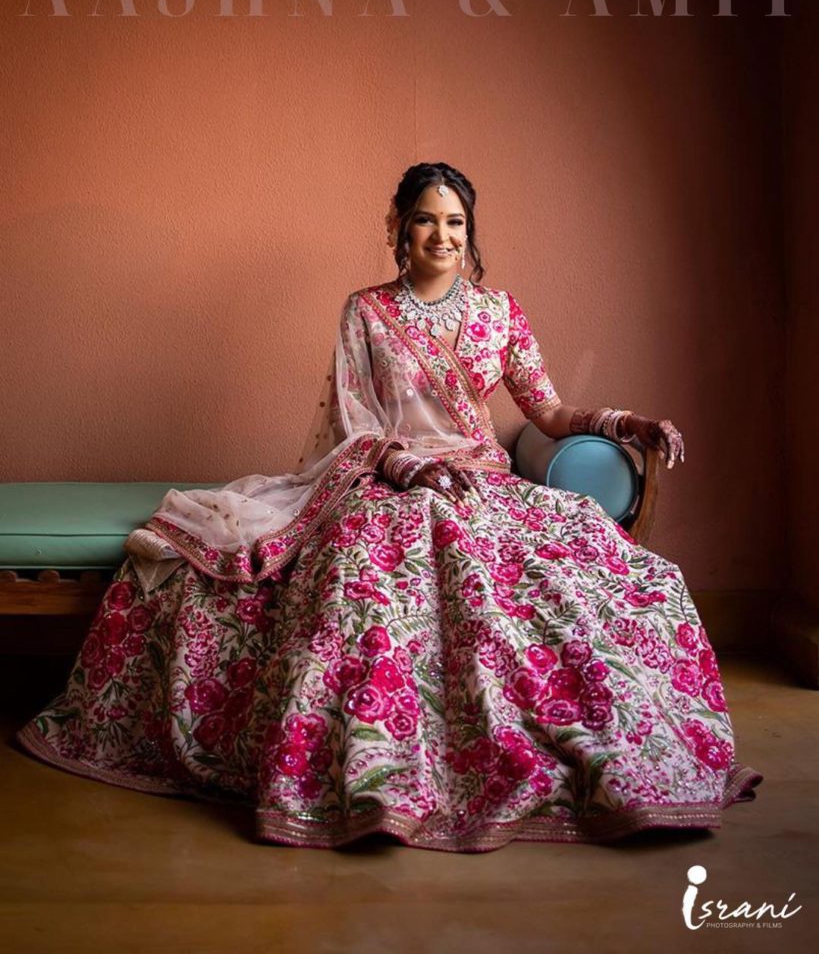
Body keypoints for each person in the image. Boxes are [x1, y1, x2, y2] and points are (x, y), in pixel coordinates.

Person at [16, 162, 762, 853]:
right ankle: (376, 769)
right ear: (399, 229)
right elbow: (353, 419)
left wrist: (624, 424)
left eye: (455, 222)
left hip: (478, 479)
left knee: (598, 568)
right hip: (387, 479)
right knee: (367, 573)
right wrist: (404, 465)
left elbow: (549, 410)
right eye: (425, 220)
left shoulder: (499, 313)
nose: (441, 235)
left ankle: (559, 745)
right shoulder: (366, 314)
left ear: (470, 233)